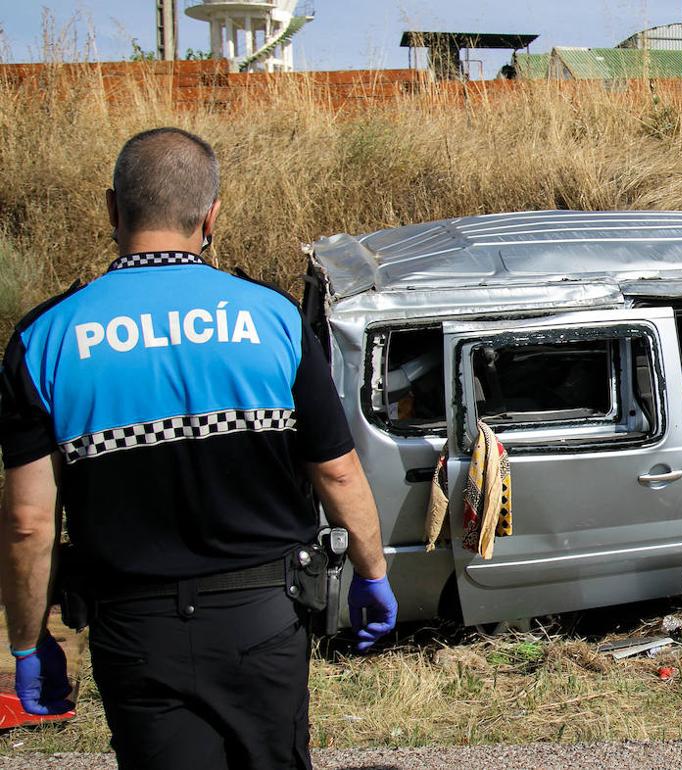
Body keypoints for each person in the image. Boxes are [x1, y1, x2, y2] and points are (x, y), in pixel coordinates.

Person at [0, 127, 398, 769]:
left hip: (134, 631)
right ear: (211, 215)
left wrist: (28, 644)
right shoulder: (272, 320)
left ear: (112, 210)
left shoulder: (45, 337)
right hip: (262, 619)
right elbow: (338, 472)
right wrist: (372, 575)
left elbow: (27, 523)